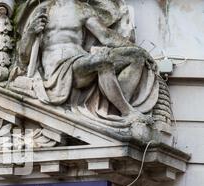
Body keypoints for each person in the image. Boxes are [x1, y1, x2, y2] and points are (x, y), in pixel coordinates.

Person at [17, 0, 158, 120]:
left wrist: (142, 51)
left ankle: (117, 106)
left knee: (136, 56)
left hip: (81, 61)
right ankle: (128, 112)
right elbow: (24, 56)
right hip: (58, 69)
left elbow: (106, 36)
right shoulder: (43, 10)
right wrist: (30, 32)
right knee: (102, 61)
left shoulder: (82, 9)